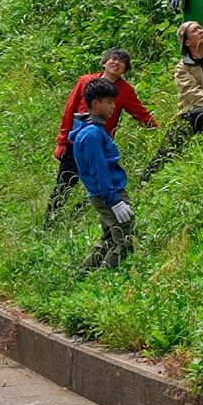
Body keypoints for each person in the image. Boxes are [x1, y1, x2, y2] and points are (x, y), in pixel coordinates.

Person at [47, 48, 157, 224]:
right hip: (74, 142)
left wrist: (156, 129)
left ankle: (83, 214)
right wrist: (61, 141)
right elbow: (70, 110)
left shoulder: (125, 90)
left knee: (99, 182)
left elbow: (140, 112)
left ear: (125, 69)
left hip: (99, 144)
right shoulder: (85, 81)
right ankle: (51, 220)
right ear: (104, 62)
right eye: (113, 59)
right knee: (64, 183)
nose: (116, 63)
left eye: (122, 62)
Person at [141, 21, 203, 183]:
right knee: (172, 143)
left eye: (201, 27)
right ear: (187, 42)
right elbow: (191, 92)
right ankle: (149, 176)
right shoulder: (182, 68)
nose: (201, 31)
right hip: (191, 112)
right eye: (195, 30)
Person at [69, 78, 135, 272]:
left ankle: (84, 273)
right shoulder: (91, 134)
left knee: (108, 238)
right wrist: (114, 201)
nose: (113, 107)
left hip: (104, 193)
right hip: (107, 193)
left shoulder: (92, 130)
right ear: (95, 104)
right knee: (125, 237)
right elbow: (100, 170)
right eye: (109, 102)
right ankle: (105, 280)